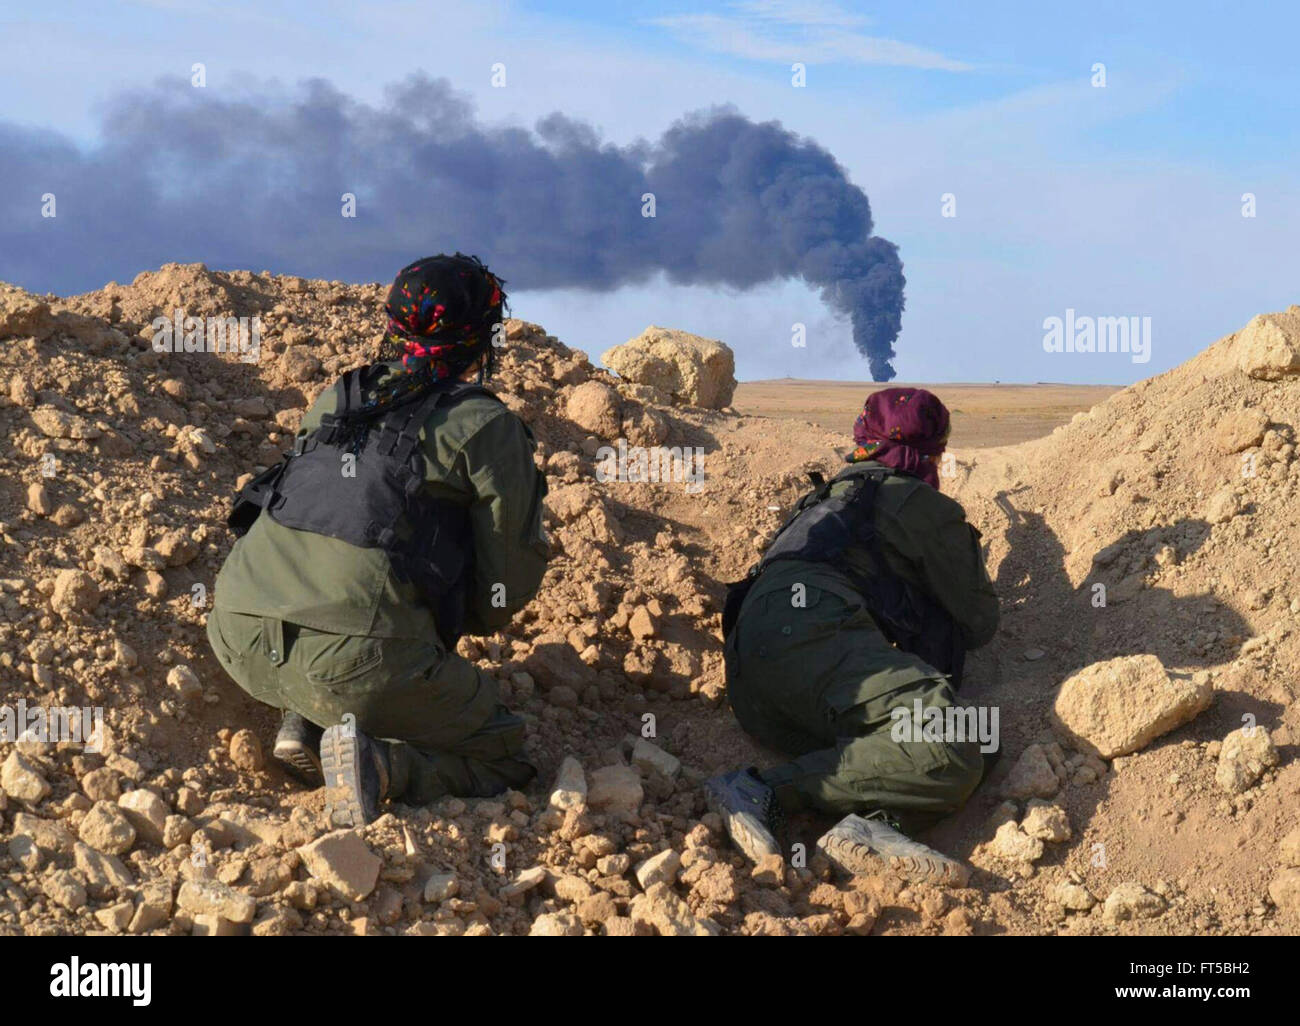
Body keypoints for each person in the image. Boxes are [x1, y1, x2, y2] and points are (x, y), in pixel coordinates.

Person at [207, 253, 549, 826]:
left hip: (236, 634)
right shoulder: (486, 427)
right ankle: (380, 765)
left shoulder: (338, 398)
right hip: (358, 662)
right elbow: (503, 586)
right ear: (482, 337)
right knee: (503, 754)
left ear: (393, 323)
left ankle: (306, 717)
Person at [706, 387, 998, 885]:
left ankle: (870, 829)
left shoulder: (828, 498)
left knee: (978, 741)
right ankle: (765, 790)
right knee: (953, 737)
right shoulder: (911, 498)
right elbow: (979, 621)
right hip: (809, 627)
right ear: (931, 453)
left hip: (756, 685)